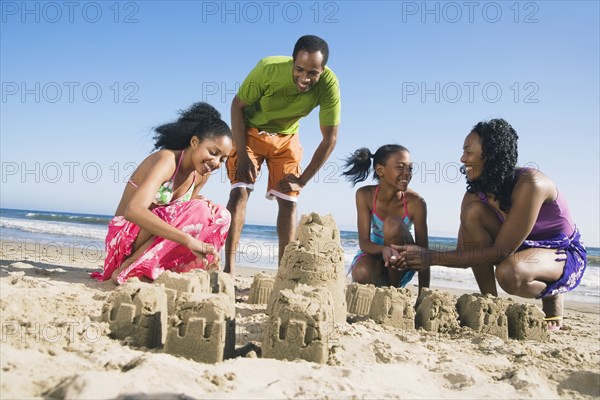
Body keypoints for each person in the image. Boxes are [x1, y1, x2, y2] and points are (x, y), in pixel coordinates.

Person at [395, 118, 587, 330]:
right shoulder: (474, 195)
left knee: (509, 274)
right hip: (518, 246)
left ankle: (553, 296)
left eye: (468, 152)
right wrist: (418, 256)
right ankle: (490, 305)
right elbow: (466, 253)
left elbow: (497, 252)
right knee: (472, 213)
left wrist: (430, 257)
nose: (462, 159)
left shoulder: (531, 184)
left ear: (492, 155)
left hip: (560, 252)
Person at [224, 34, 341, 276]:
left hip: (286, 139)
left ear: (323, 70)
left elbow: (329, 139)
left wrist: (303, 179)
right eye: (299, 69)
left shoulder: (329, 85)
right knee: (240, 192)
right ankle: (229, 269)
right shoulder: (268, 68)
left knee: (289, 201)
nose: (304, 78)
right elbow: (237, 105)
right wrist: (244, 157)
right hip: (250, 131)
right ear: (292, 62)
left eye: (313, 73)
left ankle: (283, 274)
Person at [91, 102, 233, 285]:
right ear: (194, 142)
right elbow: (133, 210)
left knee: (222, 215)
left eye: (223, 159)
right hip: (123, 240)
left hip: (149, 241)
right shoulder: (167, 161)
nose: (216, 162)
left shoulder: (201, 177)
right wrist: (188, 239)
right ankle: (129, 267)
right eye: (213, 152)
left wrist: (201, 202)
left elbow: (180, 213)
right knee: (200, 210)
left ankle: (163, 269)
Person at [342, 145, 430, 293]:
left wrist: (423, 296)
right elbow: (364, 242)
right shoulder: (365, 195)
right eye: (400, 167)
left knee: (392, 224)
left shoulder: (416, 203)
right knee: (362, 271)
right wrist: (384, 249)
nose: (407, 173)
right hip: (376, 256)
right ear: (380, 170)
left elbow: (424, 254)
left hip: (402, 264)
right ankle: (376, 293)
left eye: (410, 168)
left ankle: (393, 292)